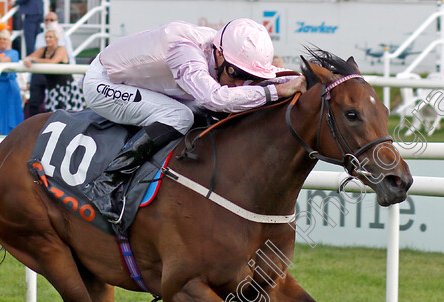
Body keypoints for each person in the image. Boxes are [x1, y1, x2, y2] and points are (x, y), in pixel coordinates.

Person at [81, 18, 305, 221]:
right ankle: (105, 183)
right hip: (104, 84)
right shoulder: (184, 51)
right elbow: (214, 98)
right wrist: (275, 92)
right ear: (218, 54)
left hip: (148, 84)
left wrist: (304, 80)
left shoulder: (225, 51)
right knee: (180, 116)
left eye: (250, 77)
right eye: (237, 74)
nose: (240, 83)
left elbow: (272, 74)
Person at [23, 26, 85, 117]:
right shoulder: (44, 49)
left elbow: (52, 62)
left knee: (70, 116)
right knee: (53, 117)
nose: (48, 39)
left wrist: (34, 60)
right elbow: (28, 57)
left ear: (56, 38)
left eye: (50, 37)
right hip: (52, 90)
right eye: (46, 37)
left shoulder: (61, 49)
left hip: (66, 89)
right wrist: (29, 60)